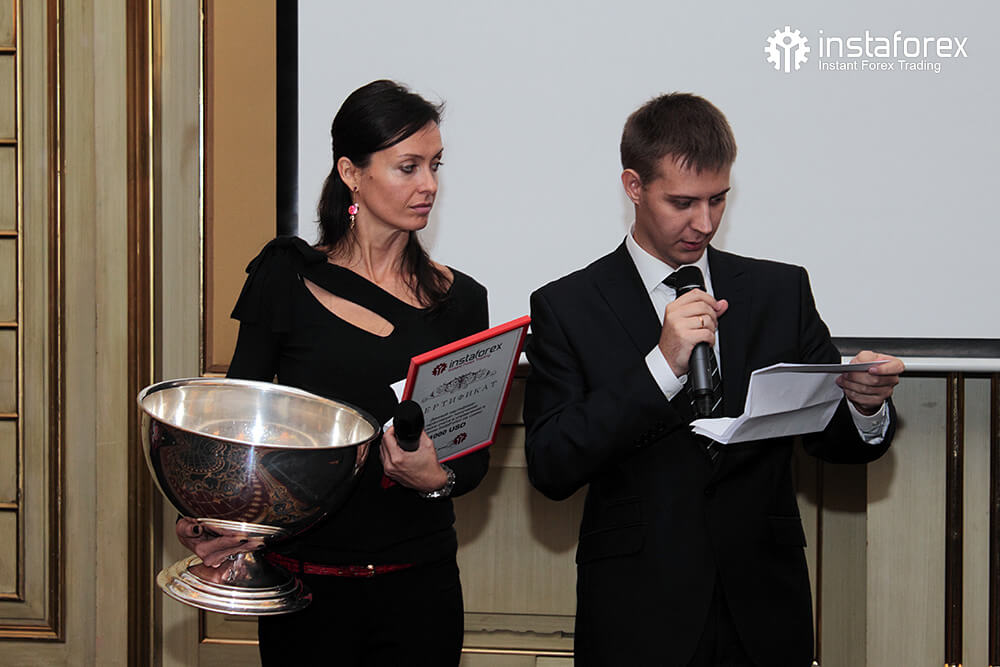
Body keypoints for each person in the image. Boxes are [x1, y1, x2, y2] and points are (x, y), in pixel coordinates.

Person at [522, 93, 904, 667]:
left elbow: (833, 439)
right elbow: (552, 464)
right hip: (638, 612)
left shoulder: (780, 292)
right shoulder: (569, 305)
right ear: (633, 186)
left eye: (717, 199)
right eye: (682, 202)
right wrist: (661, 366)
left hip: (765, 609)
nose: (704, 223)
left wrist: (865, 406)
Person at [176, 80, 489, 666]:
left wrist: (435, 478)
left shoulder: (463, 301)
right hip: (304, 591)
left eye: (435, 165)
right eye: (408, 167)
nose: (429, 184)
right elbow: (234, 431)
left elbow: (470, 463)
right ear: (351, 173)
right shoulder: (284, 277)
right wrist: (209, 514)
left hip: (419, 589)